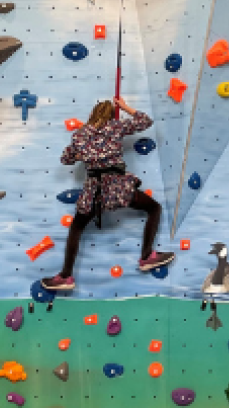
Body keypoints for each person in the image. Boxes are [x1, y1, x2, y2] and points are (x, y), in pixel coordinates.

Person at [42, 98, 174, 290]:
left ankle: (65, 276)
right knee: (154, 208)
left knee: (76, 229)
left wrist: (80, 155)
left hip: (94, 191)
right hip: (118, 187)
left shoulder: (80, 135)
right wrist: (125, 107)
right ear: (111, 115)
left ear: (92, 114)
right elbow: (145, 121)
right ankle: (146, 256)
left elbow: (65, 159)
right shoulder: (115, 127)